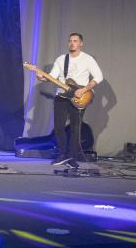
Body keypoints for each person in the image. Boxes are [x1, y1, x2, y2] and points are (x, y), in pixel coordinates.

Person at [36, 32, 103, 166]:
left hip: (79, 97)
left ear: (81, 44)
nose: (72, 43)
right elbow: (53, 76)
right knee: (59, 127)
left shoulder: (88, 59)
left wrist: (83, 90)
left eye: (75, 41)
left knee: (75, 128)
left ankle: (72, 157)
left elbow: (99, 76)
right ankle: (62, 154)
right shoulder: (61, 59)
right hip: (61, 96)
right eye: (70, 41)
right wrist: (42, 78)